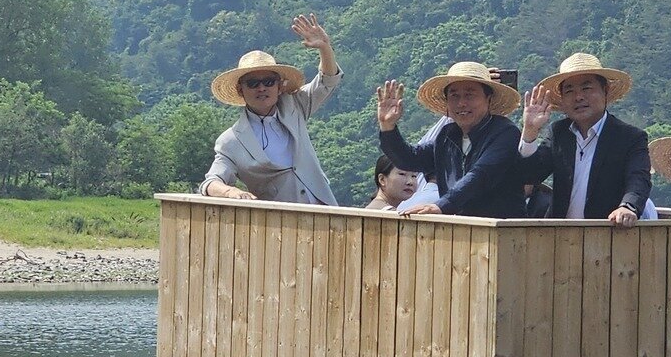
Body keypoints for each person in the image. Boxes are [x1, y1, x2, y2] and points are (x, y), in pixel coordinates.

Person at [200, 14, 342, 204]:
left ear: (279, 86)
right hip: (280, 224)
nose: (262, 88)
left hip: (326, 210)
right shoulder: (231, 141)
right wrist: (230, 193)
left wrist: (325, 47)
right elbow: (211, 181)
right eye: (253, 83)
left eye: (268, 81)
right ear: (240, 89)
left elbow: (327, 81)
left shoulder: (295, 106)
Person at [375, 61, 528, 218]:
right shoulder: (447, 136)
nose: (461, 103)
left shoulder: (504, 133)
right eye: (454, 96)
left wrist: (441, 206)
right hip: (458, 232)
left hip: (501, 233)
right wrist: (388, 127)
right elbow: (409, 159)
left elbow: (481, 175)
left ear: (488, 99)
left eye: (470, 95)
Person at [518, 53, 651, 226]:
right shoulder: (559, 133)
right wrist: (530, 131)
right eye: (569, 91)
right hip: (559, 238)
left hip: (608, 237)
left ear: (605, 91)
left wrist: (628, 207)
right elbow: (529, 174)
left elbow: (638, 179)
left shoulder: (630, 138)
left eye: (586, 88)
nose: (578, 97)